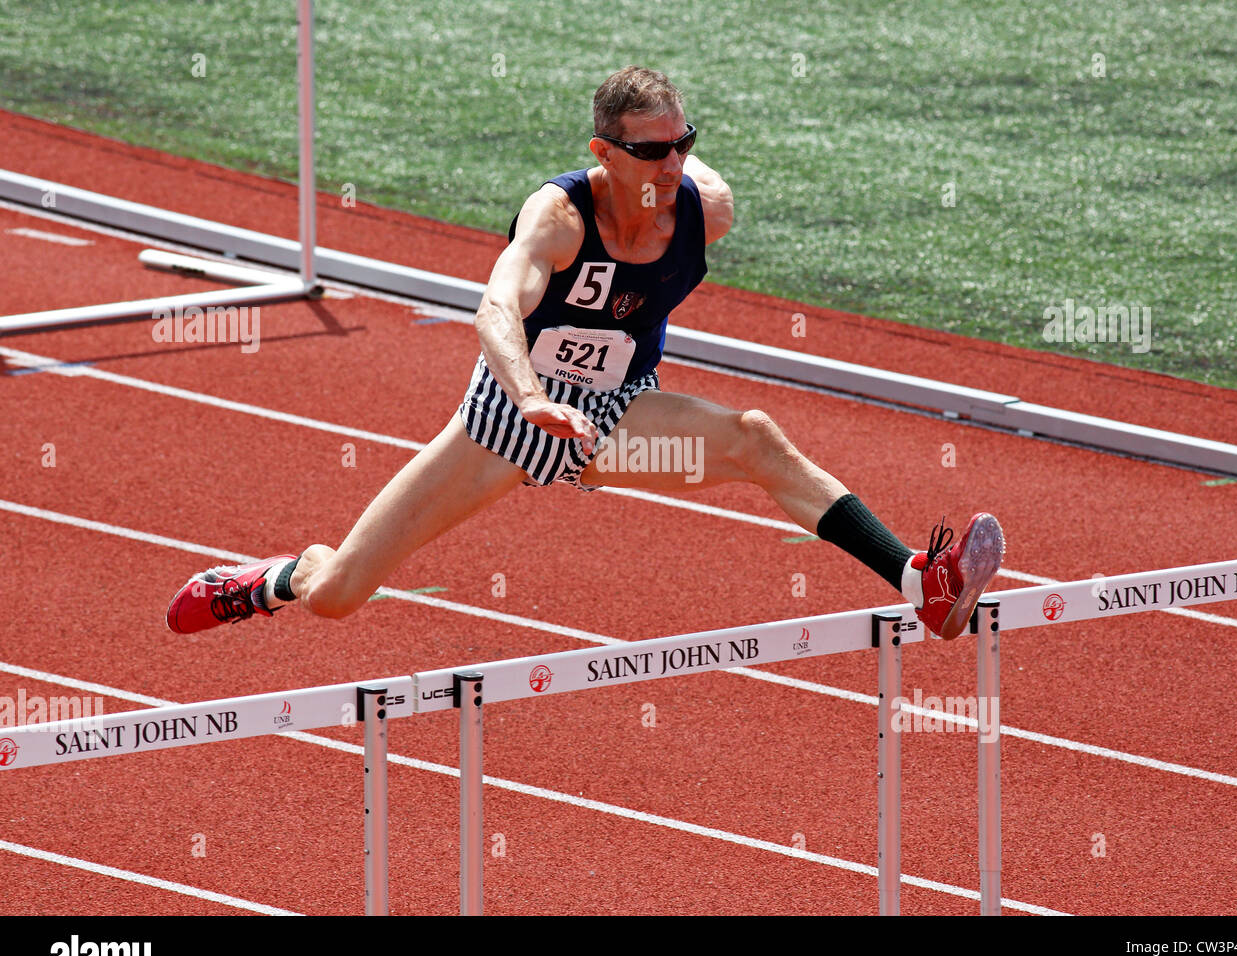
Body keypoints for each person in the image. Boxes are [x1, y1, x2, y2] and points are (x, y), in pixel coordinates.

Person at [167, 66, 1004, 642]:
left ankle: (917, 584)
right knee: (340, 595)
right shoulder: (560, 219)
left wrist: (675, 158)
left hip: (613, 421)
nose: (671, 165)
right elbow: (497, 305)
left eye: (683, 144)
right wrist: (530, 395)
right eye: (651, 152)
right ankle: (276, 580)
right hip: (505, 422)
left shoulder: (704, 210)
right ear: (604, 154)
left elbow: (685, 175)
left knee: (756, 438)